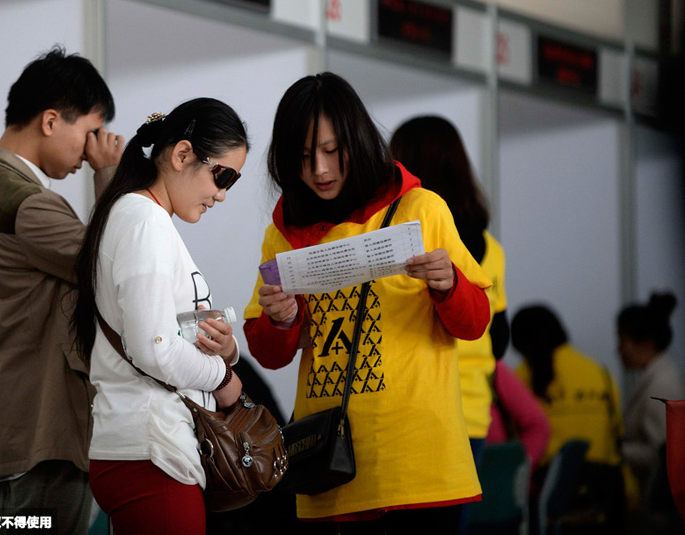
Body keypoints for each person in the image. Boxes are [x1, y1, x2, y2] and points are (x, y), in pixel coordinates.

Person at [243, 73, 492, 534]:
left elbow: (475, 323)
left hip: (419, 467)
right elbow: (267, 353)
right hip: (327, 466)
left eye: (332, 151)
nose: (319, 169)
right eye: (302, 157)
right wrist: (284, 319)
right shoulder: (282, 235)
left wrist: (448, 285)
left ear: (356, 140)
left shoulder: (421, 209)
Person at [0, 47, 122, 534]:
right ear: (51, 121)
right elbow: (114, 265)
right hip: (45, 424)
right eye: (90, 131)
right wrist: (108, 172)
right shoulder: (27, 203)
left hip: (14, 414)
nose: (92, 147)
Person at [71, 99, 248, 535]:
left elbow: (161, 337)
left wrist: (224, 348)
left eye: (233, 182)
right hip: (151, 453)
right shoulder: (144, 220)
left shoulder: (143, 217)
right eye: (221, 175)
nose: (222, 194)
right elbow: (156, 349)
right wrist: (222, 378)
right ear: (182, 154)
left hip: (146, 450)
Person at [390, 115, 510, 534]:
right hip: (474, 410)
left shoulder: (406, 240)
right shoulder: (489, 246)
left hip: (422, 405)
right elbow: (500, 339)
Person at [511, 304, 625, 534]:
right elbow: (618, 434)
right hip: (607, 493)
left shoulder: (520, 378)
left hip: (549, 498)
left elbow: (513, 444)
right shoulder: (599, 373)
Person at [617, 292, 685, 493]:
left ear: (646, 344)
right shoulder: (657, 377)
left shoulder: (661, 385)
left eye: (622, 340)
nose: (618, 350)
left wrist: (616, 450)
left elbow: (663, 452)